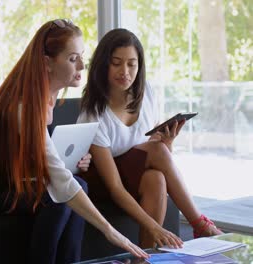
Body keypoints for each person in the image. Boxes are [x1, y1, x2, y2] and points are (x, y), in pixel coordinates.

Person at [0, 20, 149, 264]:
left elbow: (40, 164)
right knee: (57, 197)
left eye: (82, 56)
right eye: (73, 59)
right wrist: (110, 231)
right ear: (47, 63)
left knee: (78, 184)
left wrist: (72, 162)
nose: (82, 65)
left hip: (21, 182)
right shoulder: (24, 106)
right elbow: (54, 179)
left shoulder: (49, 98)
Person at [78, 28, 223, 249]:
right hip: (101, 181)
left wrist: (167, 143)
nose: (124, 71)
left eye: (131, 64)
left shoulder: (146, 93)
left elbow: (160, 158)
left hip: (132, 173)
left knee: (156, 178)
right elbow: (115, 187)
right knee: (156, 152)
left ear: (139, 66)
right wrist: (156, 227)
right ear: (103, 64)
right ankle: (200, 224)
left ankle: (144, 258)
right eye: (116, 63)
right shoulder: (93, 113)